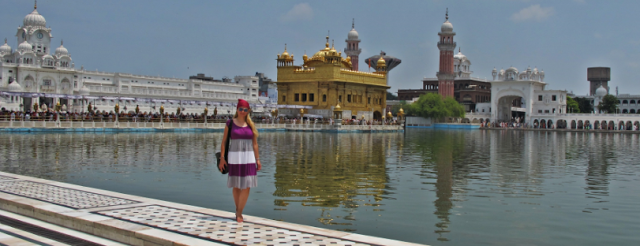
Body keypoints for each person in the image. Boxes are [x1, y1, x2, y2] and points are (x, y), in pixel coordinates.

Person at [218, 99, 261, 223]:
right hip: (235, 157)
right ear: (237, 110)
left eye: (245, 109)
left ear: (248, 111)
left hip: (249, 157)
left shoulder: (250, 125)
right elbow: (224, 142)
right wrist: (222, 158)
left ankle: (239, 211)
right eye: (240, 109)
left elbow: (255, 144)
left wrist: (258, 160)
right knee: (236, 185)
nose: (242, 111)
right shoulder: (230, 123)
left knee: (247, 186)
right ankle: (238, 211)